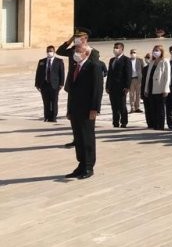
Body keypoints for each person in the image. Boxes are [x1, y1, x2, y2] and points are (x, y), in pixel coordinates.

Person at [65, 44, 103, 180]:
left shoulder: (94, 67)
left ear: (86, 53)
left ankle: (88, 166)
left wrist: (95, 109)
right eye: (75, 51)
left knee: (87, 138)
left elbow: (97, 89)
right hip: (75, 109)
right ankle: (81, 164)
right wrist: (69, 109)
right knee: (78, 138)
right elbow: (71, 91)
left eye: (78, 51)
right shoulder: (75, 67)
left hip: (87, 109)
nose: (76, 53)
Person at [143, 45, 171, 131]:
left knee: (160, 109)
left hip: (160, 89)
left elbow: (167, 76)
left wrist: (166, 89)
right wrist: (146, 89)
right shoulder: (152, 62)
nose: (155, 52)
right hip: (151, 88)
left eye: (157, 50)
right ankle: (155, 125)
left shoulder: (165, 61)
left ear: (161, 51)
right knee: (153, 108)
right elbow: (148, 77)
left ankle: (160, 126)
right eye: (154, 50)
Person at [34, 45, 64, 122]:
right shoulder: (42, 61)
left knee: (54, 101)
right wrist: (37, 84)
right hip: (44, 84)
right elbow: (38, 73)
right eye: (48, 51)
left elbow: (62, 73)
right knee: (46, 102)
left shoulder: (59, 61)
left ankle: (53, 117)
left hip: (54, 85)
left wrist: (61, 84)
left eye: (51, 51)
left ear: (54, 52)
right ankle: (46, 116)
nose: (49, 52)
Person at [105, 42, 131, 128]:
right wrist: (107, 86)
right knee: (114, 106)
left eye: (117, 48)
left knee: (122, 105)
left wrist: (127, 86)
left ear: (122, 49)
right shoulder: (112, 60)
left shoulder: (126, 60)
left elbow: (128, 74)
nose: (115, 49)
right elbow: (109, 74)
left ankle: (124, 122)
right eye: (114, 47)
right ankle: (115, 122)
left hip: (121, 87)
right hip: (112, 87)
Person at [129, 48, 144, 113]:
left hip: (138, 79)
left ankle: (137, 107)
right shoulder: (128, 60)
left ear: (136, 53)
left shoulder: (140, 60)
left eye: (134, 52)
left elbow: (143, 69)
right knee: (132, 94)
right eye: (132, 52)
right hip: (131, 80)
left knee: (138, 94)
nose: (133, 54)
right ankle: (132, 108)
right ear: (130, 54)